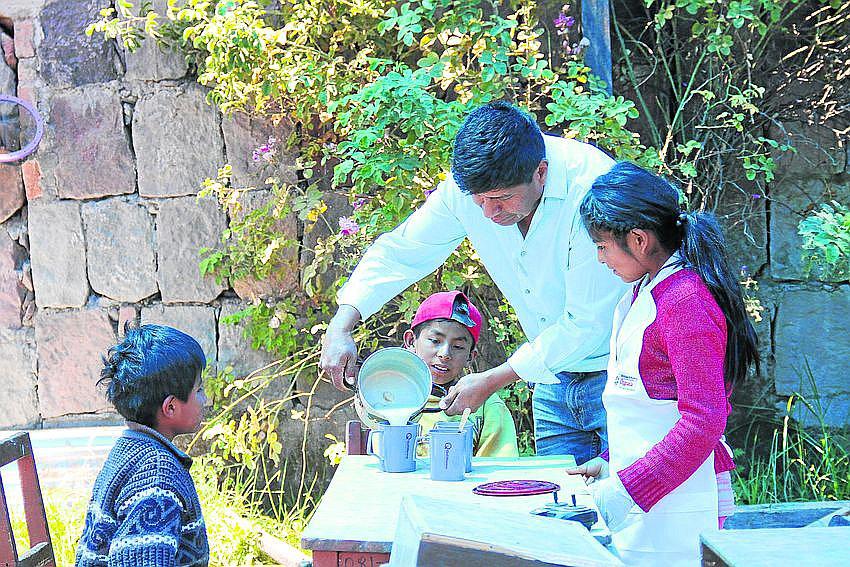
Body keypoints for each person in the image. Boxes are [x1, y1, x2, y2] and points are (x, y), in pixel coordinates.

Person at [320, 101, 625, 464]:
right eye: (479, 201)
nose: (488, 213)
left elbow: (586, 323)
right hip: (552, 381)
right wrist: (341, 325)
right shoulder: (467, 190)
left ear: (540, 173)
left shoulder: (592, 189)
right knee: (561, 507)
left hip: (621, 377)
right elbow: (403, 250)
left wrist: (494, 380)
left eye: (501, 200)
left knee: (631, 506)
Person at [565, 162, 759, 565]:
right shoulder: (643, 292)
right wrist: (613, 467)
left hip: (679, 506)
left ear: (638, 240)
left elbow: (703, 421)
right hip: (647, 499)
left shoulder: (685, 301)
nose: (600, 259)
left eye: (602, 247)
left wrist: (629, 487)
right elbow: (647, 409)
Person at [75, 325, 210, 567]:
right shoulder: (158, 474)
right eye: (198, 390)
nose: (205, 399)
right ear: (170, 407)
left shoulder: (129, 448)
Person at [404, 290, 518, 457]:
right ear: (410, 341)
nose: (445, 354)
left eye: (458, 347)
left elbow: (498, 471)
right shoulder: (391, 398)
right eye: (435, 341)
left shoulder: (487, 407)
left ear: (470, 357)